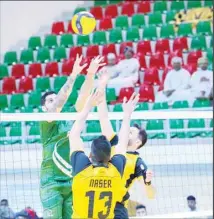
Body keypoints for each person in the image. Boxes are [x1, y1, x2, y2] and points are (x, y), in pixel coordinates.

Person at [39, 55, 105, 219]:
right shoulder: (46, 122)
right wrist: (74, 74)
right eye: (50, 100)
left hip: (72, 180)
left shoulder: (70, 120)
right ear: (44, 107)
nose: (54, 101)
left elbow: (83, 97)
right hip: (51, 183)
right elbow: (59, 102)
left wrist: (90, 75)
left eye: (54, 98)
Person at [69, 89, 140, 219]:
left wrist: (88, 106)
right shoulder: (115, 172)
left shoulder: (82, 170)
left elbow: (73, 135)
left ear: (90, 155)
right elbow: (122, 144)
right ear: (110, 157)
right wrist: (127, 115)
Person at [97, 72, 155, 219]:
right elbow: (103, 117)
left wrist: (148, 182)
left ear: (137, 143)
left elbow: (151, 195)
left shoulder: (138, 163)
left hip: (117, 207)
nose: (125, 132)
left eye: (130, 132)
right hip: (97, 202)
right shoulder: (115, 143)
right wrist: (101, 86)